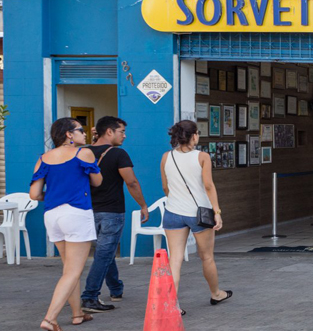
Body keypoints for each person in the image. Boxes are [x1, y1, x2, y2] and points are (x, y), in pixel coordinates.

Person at [31, 118, 103, 330]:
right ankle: (50, 319)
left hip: (52, 215)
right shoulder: (84, 153)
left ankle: (77, 314)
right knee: (73, 271)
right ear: (69, 135)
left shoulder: (43, 158)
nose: (84, 134)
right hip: (77, 213)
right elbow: (98, 182)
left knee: (69, 269)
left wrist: (55, 194)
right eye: (80, 130)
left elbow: (34, 194)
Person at [160, 120, 232, 314]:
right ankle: (216, 293)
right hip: (199, 213)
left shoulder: (166, 157)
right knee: (207, 257)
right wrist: (217, 212)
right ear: (193, 136)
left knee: (175, 260)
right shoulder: (202, 157)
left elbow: (166, 188)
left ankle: (172, 305)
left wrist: (177, 200)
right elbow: (208, 186)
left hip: (173, 212)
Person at [80, 116, 150, 313]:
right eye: (122, 131)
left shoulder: (83, 152)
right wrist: (143, 205)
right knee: (104, 253)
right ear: (109, 132)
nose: (125, 136)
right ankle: (89, 296)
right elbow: (131, 182)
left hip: (86, 211)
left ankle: (116, 289)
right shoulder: (118, 154)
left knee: (106, 251)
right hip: (111, 212)